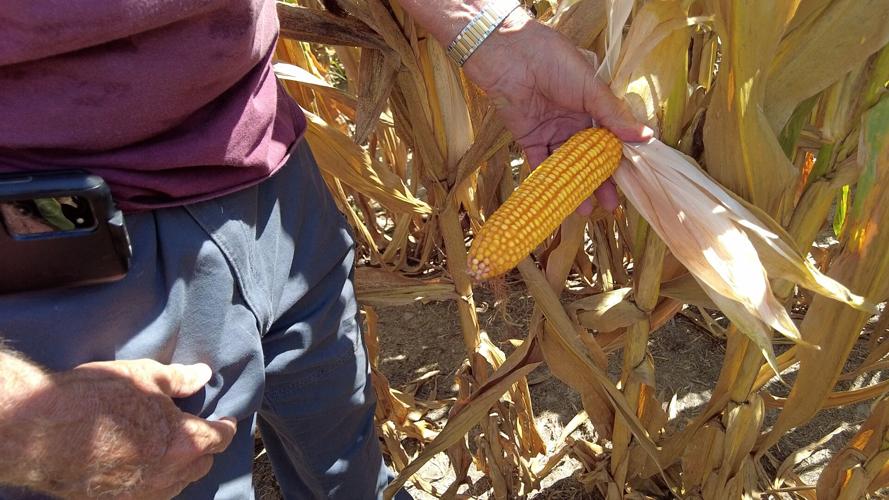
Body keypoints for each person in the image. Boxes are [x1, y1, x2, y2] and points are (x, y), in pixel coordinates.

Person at [0, 1, 649, 498]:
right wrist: (27, 423)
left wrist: (490, 33)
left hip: (272, 175)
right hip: (61, 260)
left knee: (342, 442)